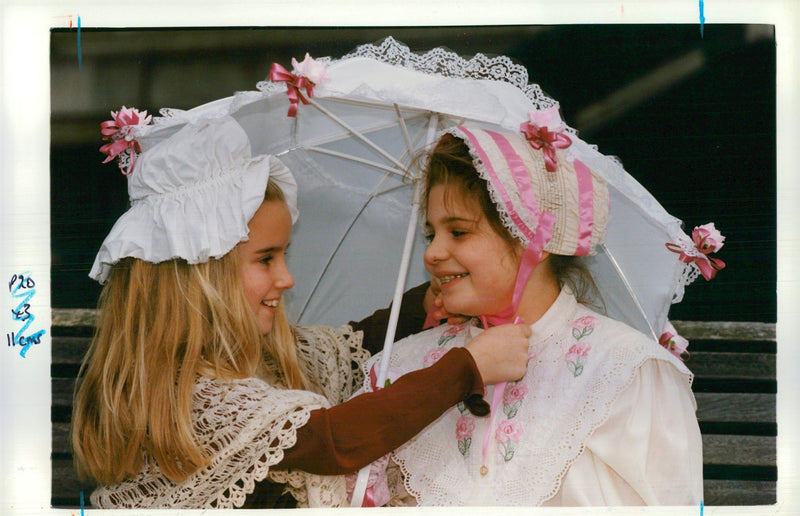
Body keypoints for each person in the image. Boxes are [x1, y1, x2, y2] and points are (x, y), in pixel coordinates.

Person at [71, 110, 532, 509]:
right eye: (267, 259)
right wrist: (466, 367)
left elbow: (355, 343)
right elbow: (334, 440)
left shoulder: (259, 356)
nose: (287, 278)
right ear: (197, 279)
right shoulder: (190, 396)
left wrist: (424, 303)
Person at [359, 121, 704, 506]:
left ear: (533, 239)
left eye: (457, 232)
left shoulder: (626, 372)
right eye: (430, 234)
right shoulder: (403, 369)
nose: (432, 253)